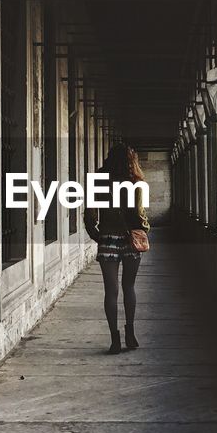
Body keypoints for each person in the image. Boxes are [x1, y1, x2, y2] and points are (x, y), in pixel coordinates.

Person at [84, 144, 150, 354]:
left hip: (108, 239)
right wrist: (146, 227)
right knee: (128, 287)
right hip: (131, 240)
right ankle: (130, 333)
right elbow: (140, 215)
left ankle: (115, 339)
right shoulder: (136, 182)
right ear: (131, 160)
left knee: (110, 292)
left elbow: (90, 214)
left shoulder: (98, 180)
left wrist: (98, 235)